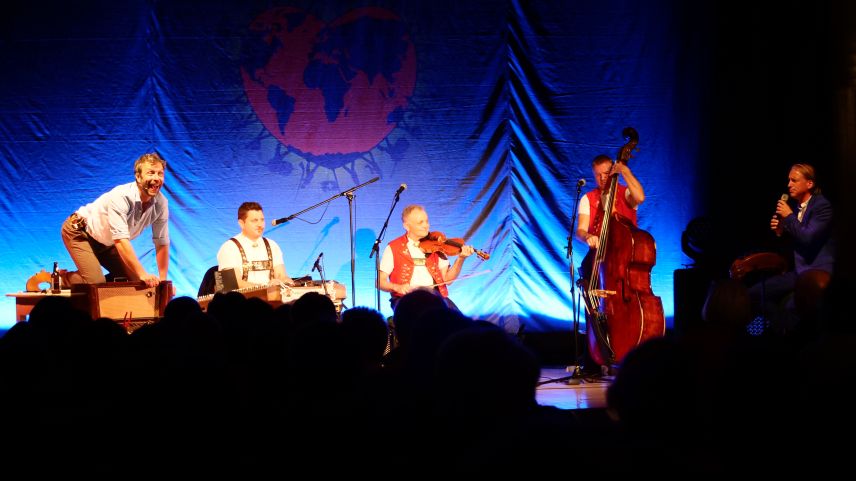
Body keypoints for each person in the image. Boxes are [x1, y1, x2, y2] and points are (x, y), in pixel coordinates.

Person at [61, 152, 169, 287]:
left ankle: (98, 282)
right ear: (138, 176)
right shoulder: (121, 196)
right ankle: (61, 279)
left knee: (135, 281)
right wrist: (142, 274)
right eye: (151, 173)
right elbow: (121, 240)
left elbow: (161, 243)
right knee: (95, 283)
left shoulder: (161, 203)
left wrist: (164, 281)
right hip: (80, 232)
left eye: (160, 174)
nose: (157, 178)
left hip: (106, 242)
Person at [750, 163, 835, 334]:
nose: (789, 184)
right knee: (754, 294)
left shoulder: (822, 206)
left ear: (809, 184)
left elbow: (808, 238)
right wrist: (781, 230)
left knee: (793, 308)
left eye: (794, 180)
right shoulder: (796, 208)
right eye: (789, 180)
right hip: (799, 272)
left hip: (818, 274)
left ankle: (788, 334)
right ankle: (779, 327)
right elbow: (797, 237)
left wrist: (788, 217)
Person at [378, 204, 473, 310]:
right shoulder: (394, 247)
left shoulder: (436, 244)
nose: (426, 226)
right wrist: (397, 287)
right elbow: (380, 281)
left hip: (435, 298)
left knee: (456, 319)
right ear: (407, 226)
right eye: (420, 222)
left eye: (427, 221)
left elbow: (448, 280)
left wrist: (461, 259)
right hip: (406, 300)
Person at [216, 201, 294, 289]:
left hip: (271, 296)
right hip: (242, 298)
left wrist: (285, 281)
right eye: (254, 221)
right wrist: (266, 287)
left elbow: (281, 275)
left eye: (262, 220)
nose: (260, 225)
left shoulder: (272, 245)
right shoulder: (229, 247)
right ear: (241, 223)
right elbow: (232, 284)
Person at [575, 154, 645, 248]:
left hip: (627, 250)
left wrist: (624, 170)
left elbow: (640, 198)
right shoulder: (587, 198)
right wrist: (588, 236)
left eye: (606, 173)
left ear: (613, 171)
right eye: (598, 175)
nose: (602, 178)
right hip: (598, 252)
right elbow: (580, 231)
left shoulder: (626, 193)